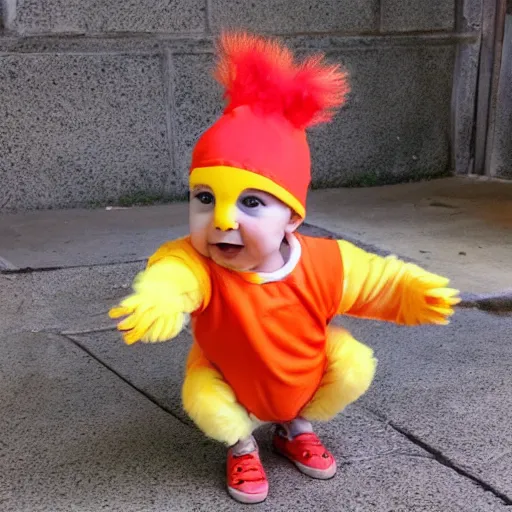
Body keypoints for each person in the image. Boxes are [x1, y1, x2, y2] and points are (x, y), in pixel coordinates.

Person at [109, 31, 460, 504]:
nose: (222, 219)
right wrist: (160, 299)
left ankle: (295, 426)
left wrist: (414, 293)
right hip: (230, 379)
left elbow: (379, 280)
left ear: (293, 216)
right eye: (205, 198)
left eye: (251, 202)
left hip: (300, 376)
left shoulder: (324, 262)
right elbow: (173, 276)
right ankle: (241, 442)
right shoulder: (196, 261)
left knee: (353, 364)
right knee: (208, 398)